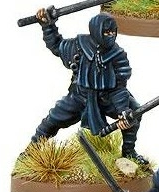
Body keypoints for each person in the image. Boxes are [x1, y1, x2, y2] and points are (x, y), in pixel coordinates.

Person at [31, 9, 145, 163]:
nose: (111, 35)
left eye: (113, 32)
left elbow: (119, 87)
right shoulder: (78, 45)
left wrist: (123, 111)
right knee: (52, 120)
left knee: (134, 112)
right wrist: (47, 25)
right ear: (96, 31)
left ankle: (129, 152)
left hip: (107, 99)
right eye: (107, 32)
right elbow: (57, 46)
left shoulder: (118, 55)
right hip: (79, 96)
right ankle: (31, 152)